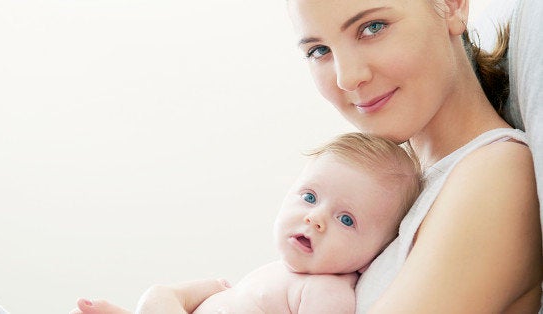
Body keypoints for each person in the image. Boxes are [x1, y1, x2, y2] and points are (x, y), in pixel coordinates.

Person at [72, 0, 543, 312]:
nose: (347, 76)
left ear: (451, 5)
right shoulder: (389, 197)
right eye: (319, 50)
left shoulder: (493, 174)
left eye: (371, 27)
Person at [72, 132, 423, 314]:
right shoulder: (279, 272)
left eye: (346, 219)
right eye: (310, 197)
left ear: (373, 255)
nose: (315, 219)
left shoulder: (326, 292)